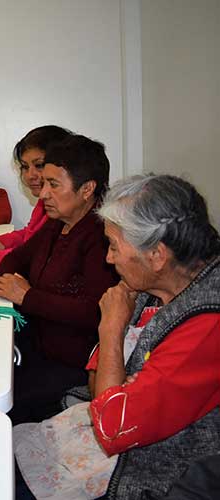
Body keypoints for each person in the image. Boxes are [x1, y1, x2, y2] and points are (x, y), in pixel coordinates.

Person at [13, 174, 220, 500]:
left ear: (157, 255)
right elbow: (99, 387)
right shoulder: (159, 283)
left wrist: (111, 328)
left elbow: (112, 425)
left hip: (154, 473)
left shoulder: (207, 324)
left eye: (113, 246)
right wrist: (120, 382)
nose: (108, 259)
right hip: (103, 431)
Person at [0, 134, 119, 424]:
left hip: (68, 364)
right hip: (33, 347)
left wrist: (28, 296)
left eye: (53, 184)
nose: (42, 194)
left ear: (87, 189)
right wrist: (12, 284)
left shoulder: (101, 238)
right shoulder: (57, 223)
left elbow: (96, 312)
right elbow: (16, 258)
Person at [0, 125, 72, 268]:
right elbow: (28, 236)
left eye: (39, 165)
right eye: (25, 167)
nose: (30, 175)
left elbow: (37, 257)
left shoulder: (64, 211)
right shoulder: (44, 202)